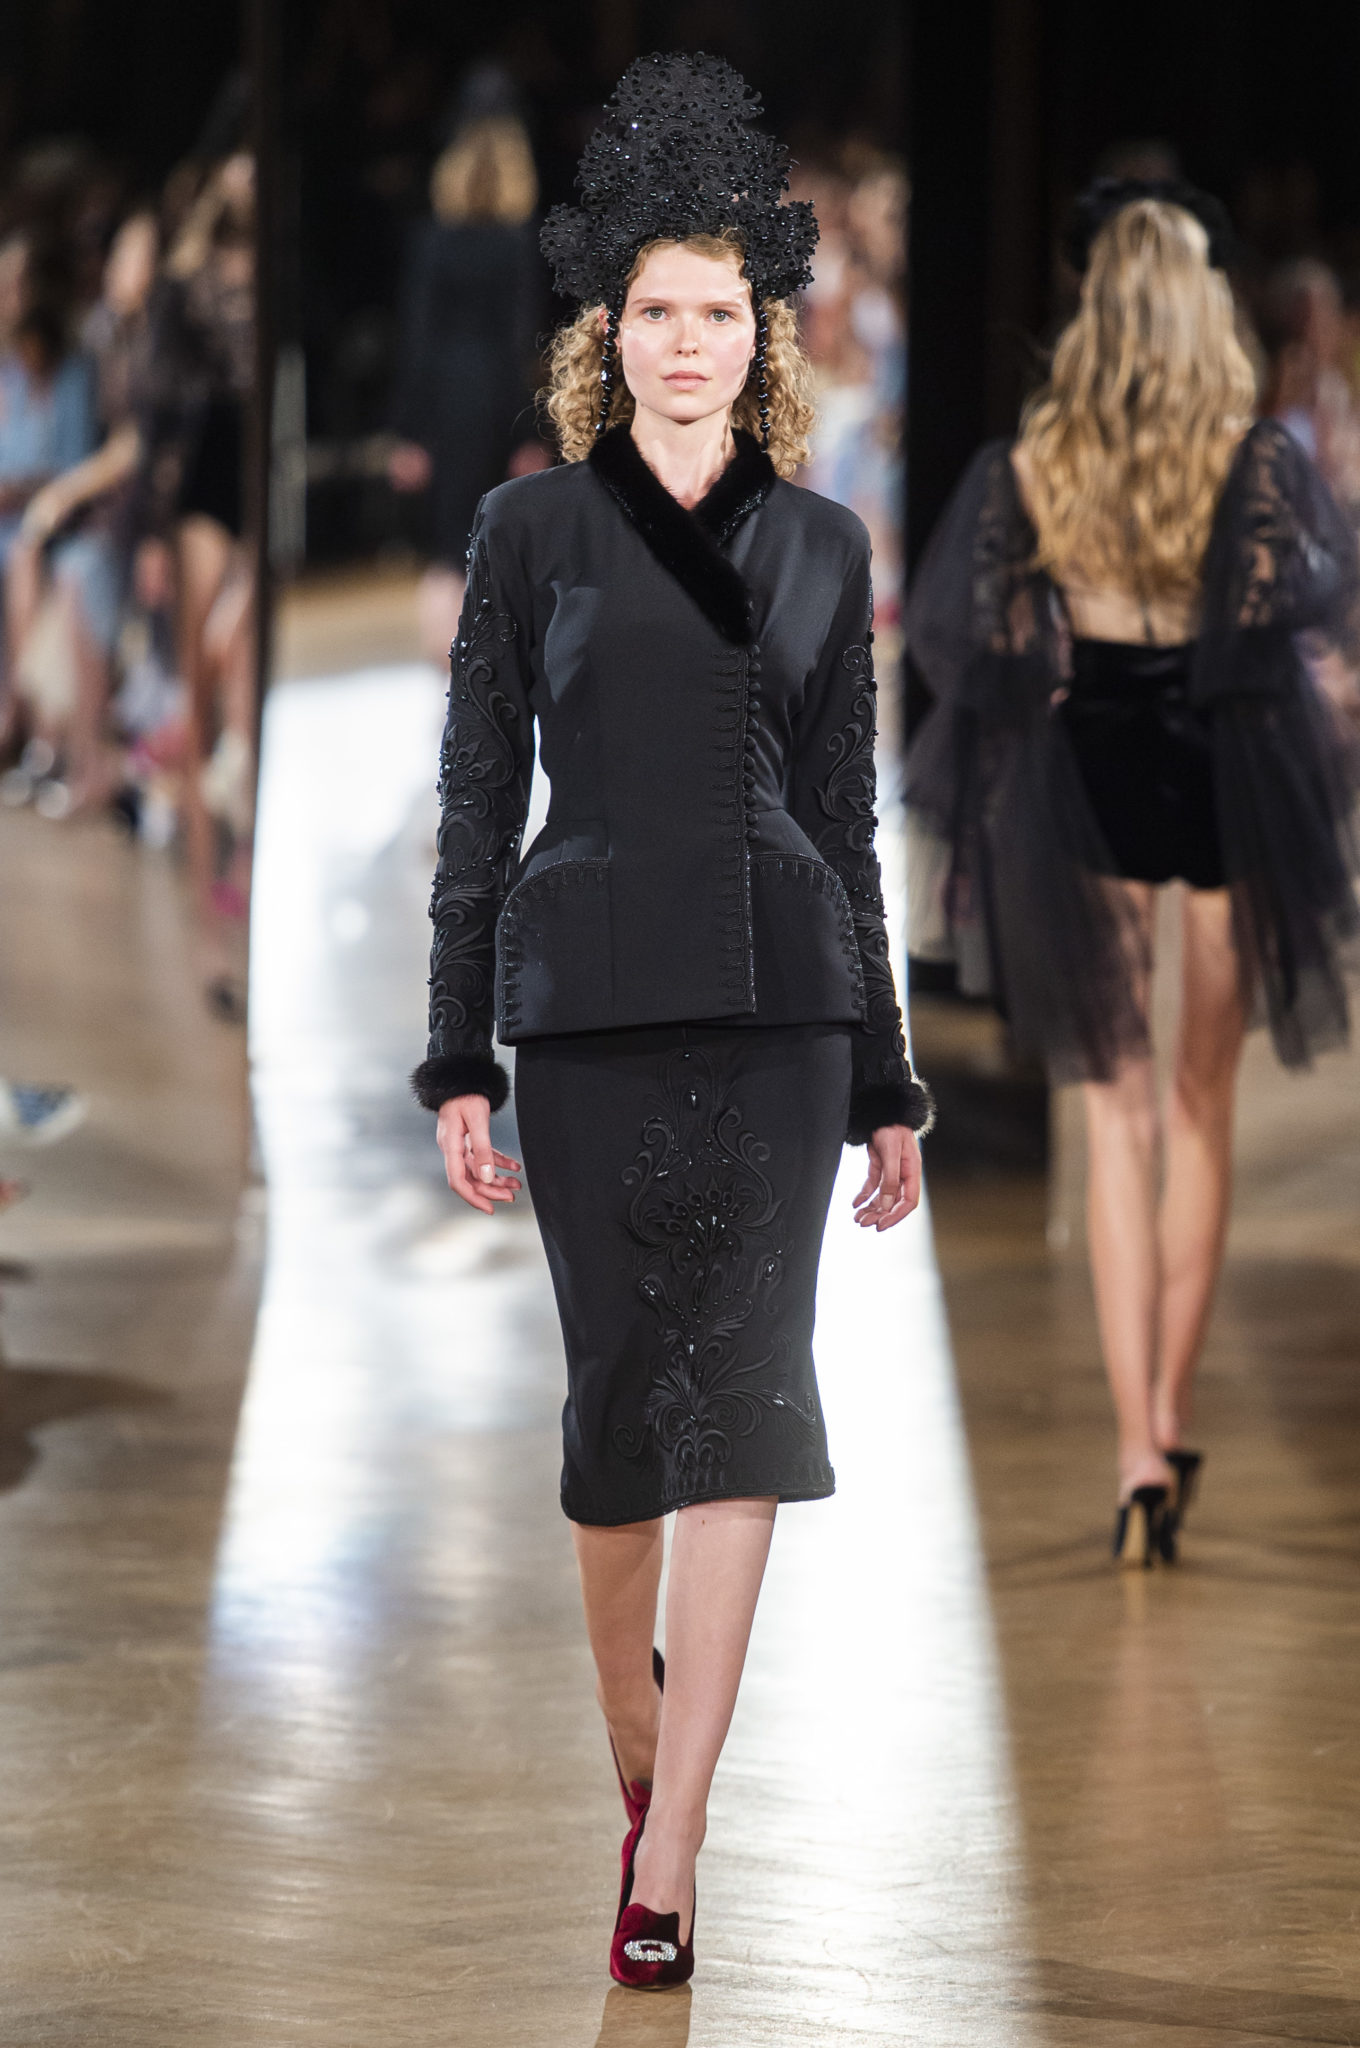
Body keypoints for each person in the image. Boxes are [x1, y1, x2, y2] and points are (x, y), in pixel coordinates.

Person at [410, 54, 931, 1989]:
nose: (690, 341)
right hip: (590, 1021)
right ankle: (645, 1760)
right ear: (607, 332)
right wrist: (457, 1055)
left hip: (781, 1010)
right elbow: (478, 814)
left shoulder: (826, 548)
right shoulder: (528, 534)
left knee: (747, 1414)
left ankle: (677, 1843)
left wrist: (886, 1076)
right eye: (658, 310)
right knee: (618, 1434)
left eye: (721, 311)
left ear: (760, 334)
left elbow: (847, 827)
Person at [906, 182, 1360, 1569]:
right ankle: (1169, 1403)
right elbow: (1302, 614)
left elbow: (968, 640)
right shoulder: (1251, 459)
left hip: (1094, 754)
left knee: (1115, 1116)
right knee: (1201, 1105)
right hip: (1227, 759)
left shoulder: (1039, 463)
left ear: (1100, 312)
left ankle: (1134, 1454)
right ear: (1203, 310)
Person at [387, 110, 546, 663]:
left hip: (444, 403)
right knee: (499, 536)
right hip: (498, 399)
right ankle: (489, 671)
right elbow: (521, 342)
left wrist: (408, 432)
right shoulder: (517, 244)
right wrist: (529, 431)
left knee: (447, 546)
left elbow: (417, 338)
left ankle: (449, 676)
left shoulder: (431, 242)